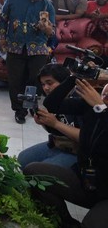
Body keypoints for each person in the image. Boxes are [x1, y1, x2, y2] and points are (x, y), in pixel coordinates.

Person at [24, 78, 108, 227]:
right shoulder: (93, 108)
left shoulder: (100, 109)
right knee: (33, 171)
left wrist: (102, 109)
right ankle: (65, 223)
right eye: (105, 93)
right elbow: (52, 104)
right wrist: (73, 78)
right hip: (86, 179)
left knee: (92, 224)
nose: (105, 96)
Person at [0, 0, 56, 124]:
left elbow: (52, 32)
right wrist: (2, 38)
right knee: (15, 80)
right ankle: (19, 110)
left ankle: (31, 105)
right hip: (15, 46)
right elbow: (3, 19)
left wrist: (47, 28)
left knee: (35, 80)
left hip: (38, 48)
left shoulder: (47, 5)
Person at [17, 64, 81, 169]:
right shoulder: (53, 101)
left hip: (77, 152)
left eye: (49, 83)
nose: (46, 88)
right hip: (58, 144)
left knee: (39, 171)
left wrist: (55, 123)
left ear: (65, 82)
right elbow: (57, 130)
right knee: (22, 159)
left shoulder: (79, 100)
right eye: (43, 84)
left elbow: (85, 137)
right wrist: (45, 123)